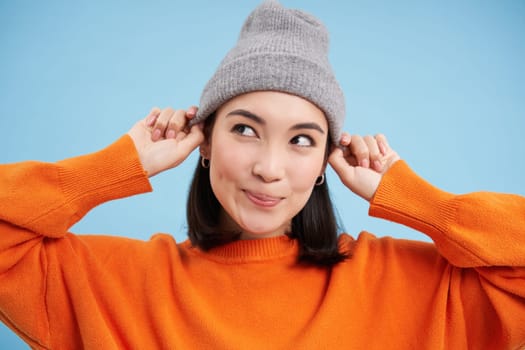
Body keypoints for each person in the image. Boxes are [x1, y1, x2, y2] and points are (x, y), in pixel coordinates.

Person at [1, 0, 524, 348]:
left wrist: (419, 200)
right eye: (245, 130)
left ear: (325, 163)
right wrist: (115, 166)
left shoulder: (413, 286)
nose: (269, 169)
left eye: (302, 140)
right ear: (203, 141)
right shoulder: (118, 284)